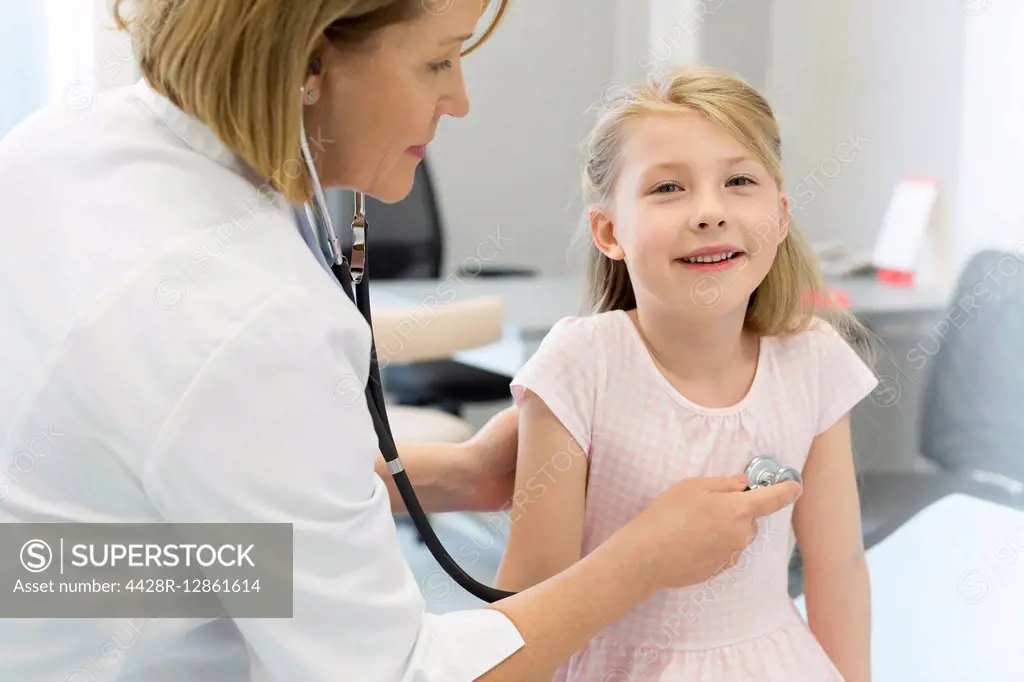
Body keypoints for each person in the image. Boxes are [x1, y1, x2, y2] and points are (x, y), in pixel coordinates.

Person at [0, 3, 802, 681]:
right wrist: (641, 560)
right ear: (310, 62)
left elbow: (102, 537)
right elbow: (398, 672)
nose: (459, 100)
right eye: (438, 61)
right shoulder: (247, 318)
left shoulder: (60, 145)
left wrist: (451, 477)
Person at [494, 66, 878, 681]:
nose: (709, 211)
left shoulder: (814, 360)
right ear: (609, 231)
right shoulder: (579, 368)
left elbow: (838, 569)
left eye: (739, 180)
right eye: (668, 189)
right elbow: (529, 602)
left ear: (778, 218)